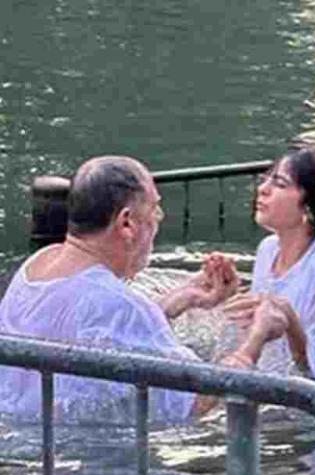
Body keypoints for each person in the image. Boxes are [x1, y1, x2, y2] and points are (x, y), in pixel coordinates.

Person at [0, 156, 291, 424]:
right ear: (127, 223)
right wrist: (256, 338)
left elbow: (91, 334)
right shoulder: (119, 306)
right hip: (91, 471)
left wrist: (181, 299)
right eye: (155, 209)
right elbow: (196, 402)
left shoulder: (37, 265)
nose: (158, 219)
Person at [223, 147, 315, 385]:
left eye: (280, 184)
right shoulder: (268, 249)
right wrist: (221, 299)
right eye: (266, 180)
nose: (262, 190)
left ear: (309, 207)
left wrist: (291, 324)